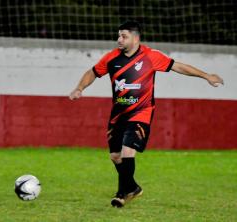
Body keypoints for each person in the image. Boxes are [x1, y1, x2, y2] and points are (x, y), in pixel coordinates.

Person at [69, 21, 224, 208]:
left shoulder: (150, 56)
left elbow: (179, 67)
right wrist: (79, 88)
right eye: (118, 35)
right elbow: (92, 72)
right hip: (118, 115)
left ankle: (122, 194)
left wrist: (207, 76)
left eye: (124, 36)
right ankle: (132, 187)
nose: (119, 39)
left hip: (141, 113)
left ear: (135, 38)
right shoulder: (111, 58)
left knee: (128, 151)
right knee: (116, 156)